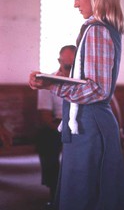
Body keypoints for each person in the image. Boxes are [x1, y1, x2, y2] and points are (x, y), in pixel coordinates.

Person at [29, 0, 124, 210]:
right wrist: (52, 81)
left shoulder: (97, 30)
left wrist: (51, 86)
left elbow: (98, 89)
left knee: (85, 195)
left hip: (90, 124)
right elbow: (89, 80)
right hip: (89, 122)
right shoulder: (105, 28)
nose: (75, 3)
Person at [35, 45, 76, 210]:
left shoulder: (83, 81)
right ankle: (54, 191)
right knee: (45, 139)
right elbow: (45, 116)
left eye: (73, 66)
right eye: (67, 66)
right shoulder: (48, 81)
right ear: (59, 61)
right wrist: (62, 129)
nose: (70, 70)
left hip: (79, 122)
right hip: (57, 124)